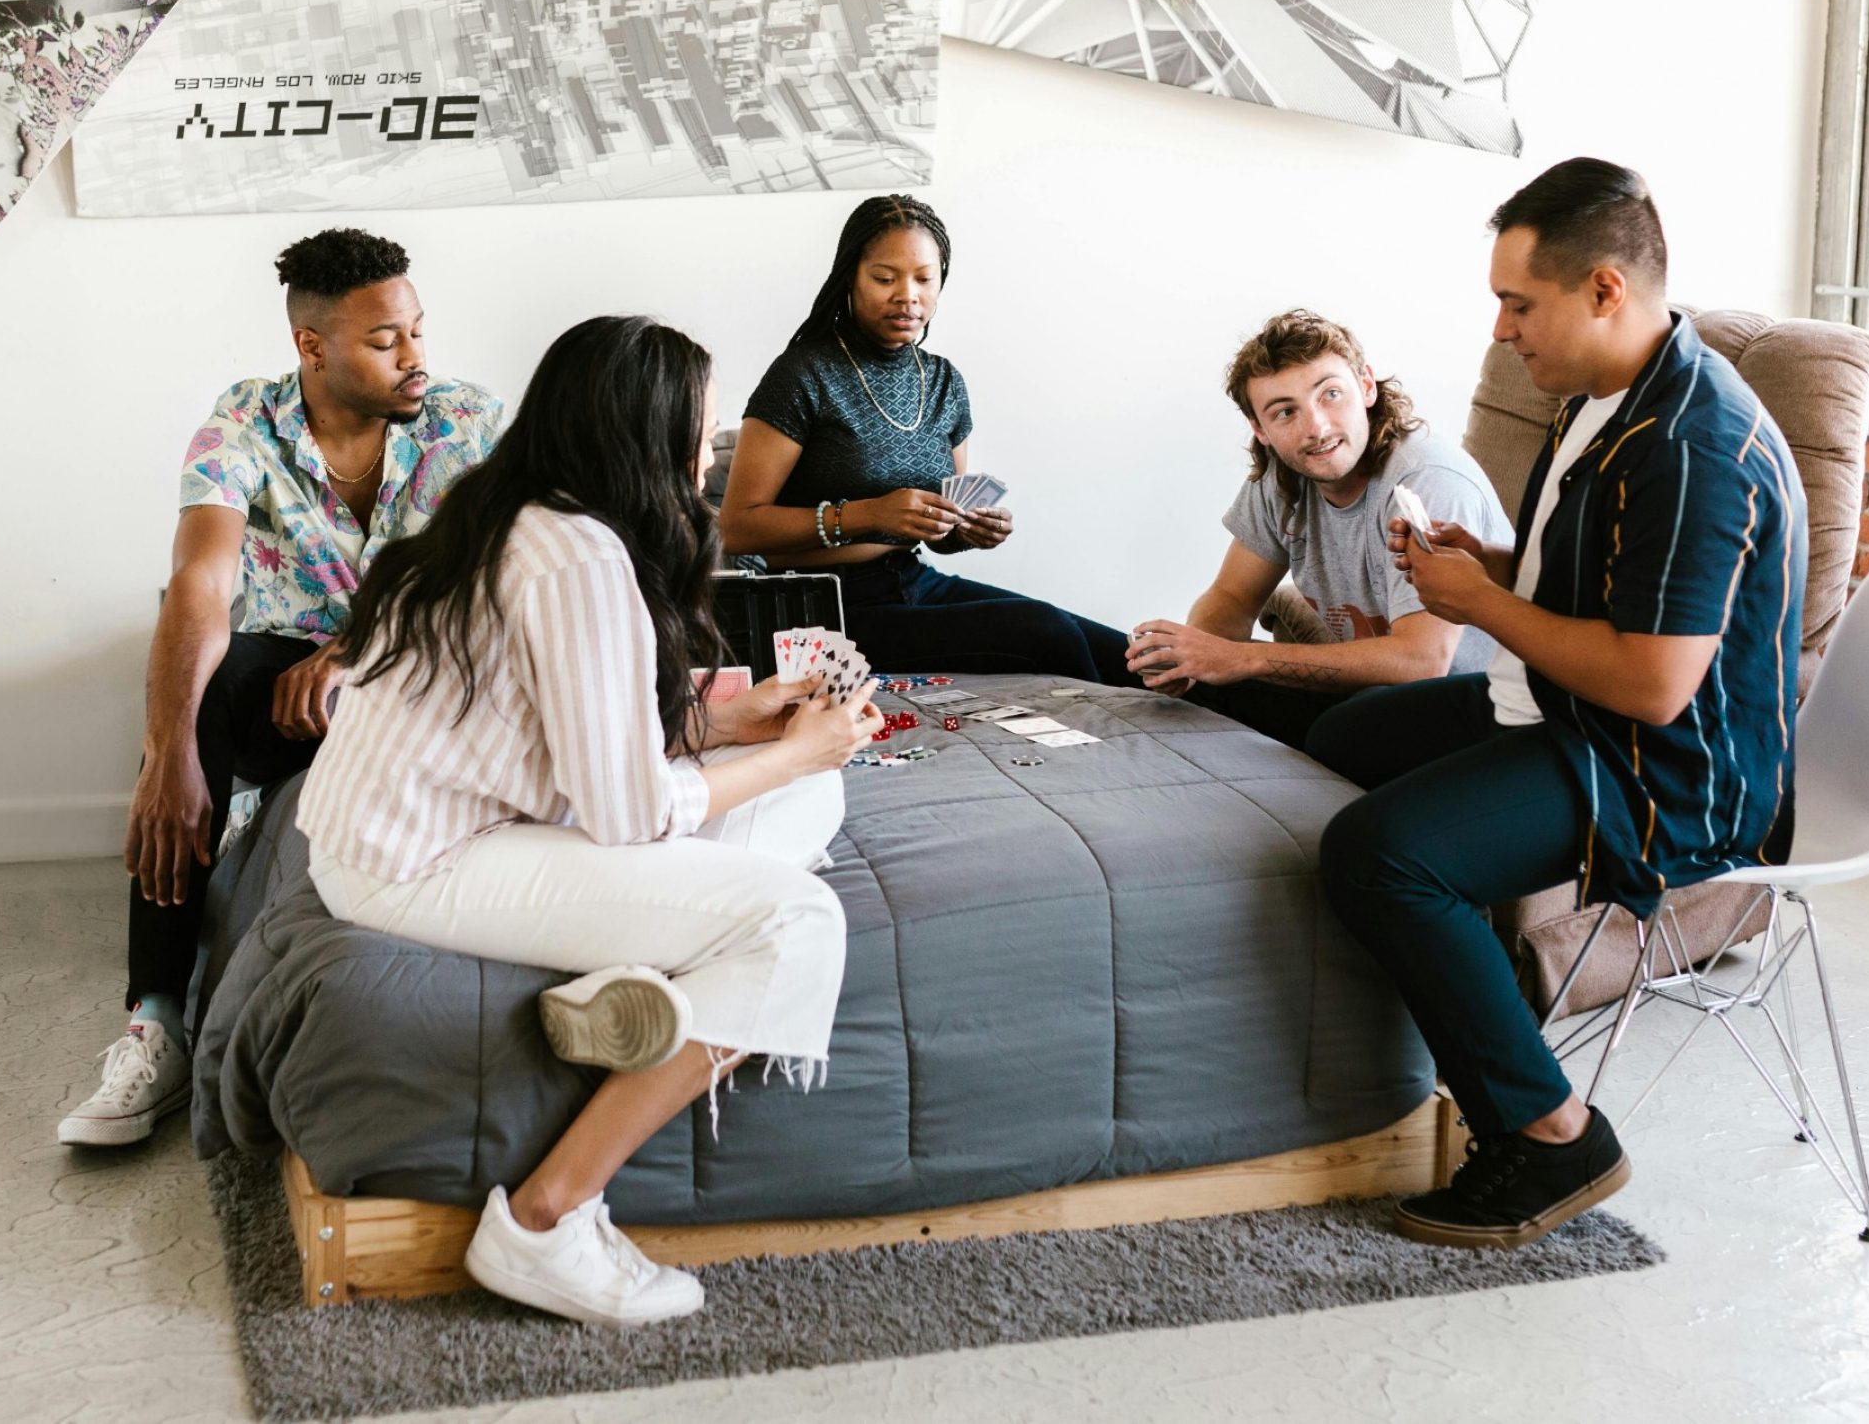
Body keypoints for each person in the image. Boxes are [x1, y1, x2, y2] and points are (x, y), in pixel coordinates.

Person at [298, 315, 879, 1326]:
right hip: (420, 860)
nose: (708, 454)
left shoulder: (521, 515)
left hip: (441, 822)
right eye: (699, 428)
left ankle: (634, 981)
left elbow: (570, 726)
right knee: (799, 920)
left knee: (805, 792)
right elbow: (624, 815)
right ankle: (542, 1221)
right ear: (644, 435)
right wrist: (790, 747)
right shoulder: (578, 559)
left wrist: (738, 723)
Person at [1310, 159, 1808, 1248]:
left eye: (1517, 304)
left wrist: (1481, 599)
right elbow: (1589, 579)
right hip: (1578, 714)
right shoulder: (1599, 396)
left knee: (1374, 852)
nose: (1500, 332)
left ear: (1602, 291)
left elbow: (1654, 681)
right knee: (1332, 738)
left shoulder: (1688, 444)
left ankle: (1548, 1134)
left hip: (1669, 769)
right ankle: (1451, 999)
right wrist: (1484, 557)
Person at [57, 229, 503, 1148]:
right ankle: (156, 1022)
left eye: (418, 331)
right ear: (313, 347)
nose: (416, 357)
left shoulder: (469, 423)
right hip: (287, 705)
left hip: (418, 675)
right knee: (213, 693)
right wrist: (168, 759)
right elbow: (200, 586)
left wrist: (358, 646)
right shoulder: (239, 427)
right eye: (387, 342)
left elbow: (495, 579)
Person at [718, 194, 1131, 684]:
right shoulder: (802, 374)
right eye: (885, 278)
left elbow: (942, 528)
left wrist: (967, 530)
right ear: (850, 276)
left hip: (914, 582)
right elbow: (739, 528)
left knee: (1123, 652)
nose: (907, 295)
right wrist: (870, 513)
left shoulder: (943, 382)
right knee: (1047, 632)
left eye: (923, 278)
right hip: (824, 606)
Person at [1127, 309, 1510, 750]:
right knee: (1172, 695)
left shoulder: (1427, 480)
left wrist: (1242, 657)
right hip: (1369, 700)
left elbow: (1420, 662)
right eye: (1285, 412)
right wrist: (1189, 663)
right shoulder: (1282, 479)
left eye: (1330, 394)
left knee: (1339, 732)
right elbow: (1231, 598)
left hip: (1479, 705)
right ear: (1261, 429)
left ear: (1366, 386)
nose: (1317, 428)